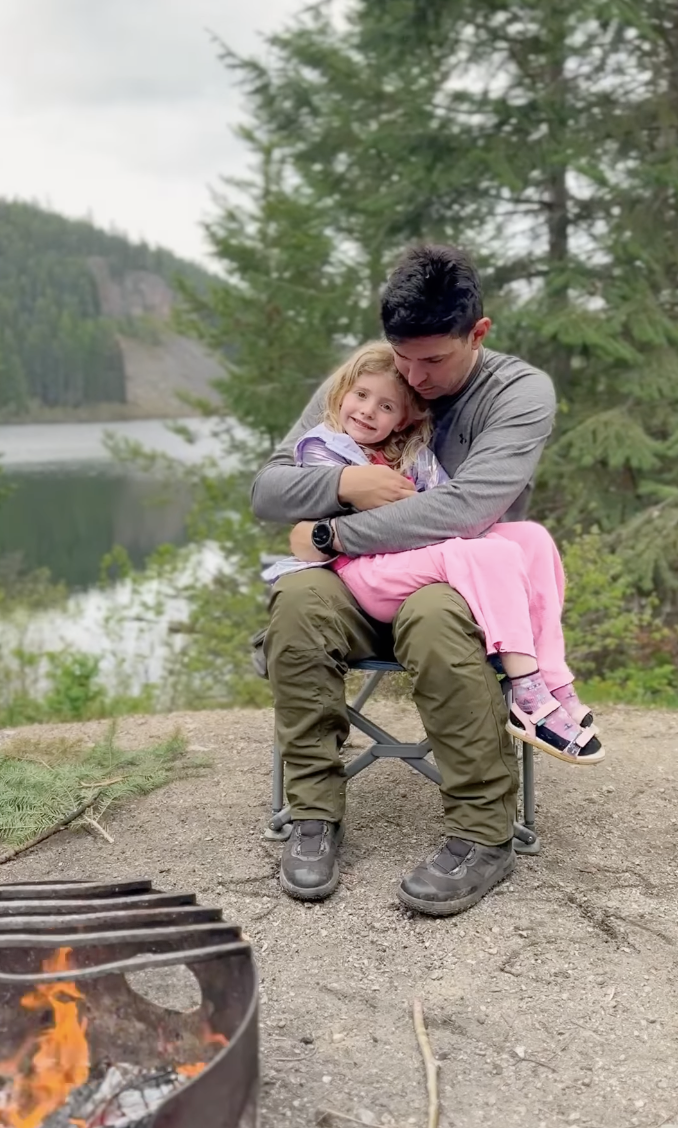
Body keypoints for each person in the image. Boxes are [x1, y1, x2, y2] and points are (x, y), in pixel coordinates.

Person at [252, 244, 559, 915]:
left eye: (432, 361)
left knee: (434, 613)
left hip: (454, 587)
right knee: (299, 597)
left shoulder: (518, 393)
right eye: (403, 357)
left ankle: (483, 833)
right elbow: (270, 491)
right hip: (355, 585)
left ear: (478, 333)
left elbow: (464, 509)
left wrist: (328, 530)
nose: (411, 377)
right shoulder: (373, 376)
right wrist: (346, 481)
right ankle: (313, 815)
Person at [262, 340, 602, 765]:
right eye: (361, 396)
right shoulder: (325, 447)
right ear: (341, 393)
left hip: (411, 561)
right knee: (487, 556)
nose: (368, 411)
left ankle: (553, 677)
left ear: (404, 418)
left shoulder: (412, 456)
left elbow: (446, 509)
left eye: (386, 407)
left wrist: (421, 517)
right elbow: (321, 513)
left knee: (530, 538)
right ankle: (528, 696)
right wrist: (356, 486)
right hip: (363, 570)